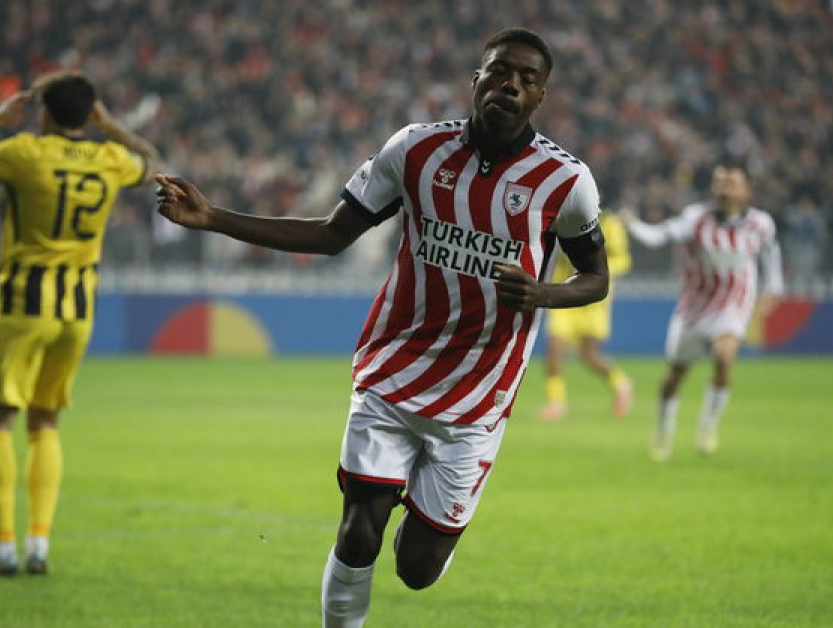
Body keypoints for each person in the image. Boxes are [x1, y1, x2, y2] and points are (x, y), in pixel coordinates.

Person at [155, 27, 608, 628]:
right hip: (393, 370)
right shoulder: (415, 150)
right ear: (476, 79)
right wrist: (214, 217)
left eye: (527, 80)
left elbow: (596, 277)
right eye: (500, 71)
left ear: (541, 97)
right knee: (359, 528)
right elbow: (331, 234)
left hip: (478, 396)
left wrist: (544, 293)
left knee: (416, 569)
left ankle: (428, 529)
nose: (510, 86)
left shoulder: (566, 182)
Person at [0, 72, 159, 576]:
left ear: (45, 114)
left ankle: (0, 548)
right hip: (77, 311)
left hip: (23, 305)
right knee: (45, 421)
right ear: (91, 114)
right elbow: (155, 164)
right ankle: (38, 542)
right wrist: (111, 126)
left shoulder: (25, 152)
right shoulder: (111, 158)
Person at [620, 161, 783, 461]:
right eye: (720, 183)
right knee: (675, 376)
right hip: (694, 309)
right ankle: (664, 431)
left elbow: (771, 256)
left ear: (747, 191)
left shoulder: (761, 224)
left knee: (724, 356)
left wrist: (773, 289)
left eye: (731, 183)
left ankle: (708, 425)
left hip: (734, 305)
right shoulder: (696, 219)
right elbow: (660, 236)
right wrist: (632, 224)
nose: (724, 190)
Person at [539, 212, 633, 420]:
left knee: (588, 355)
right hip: (565, 291)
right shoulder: (562, 220)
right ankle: (556, 403)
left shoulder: (610, 223)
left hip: (593, 299)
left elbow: (624, 259)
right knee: (554, 347)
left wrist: (595, 268)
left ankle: (621, 383)